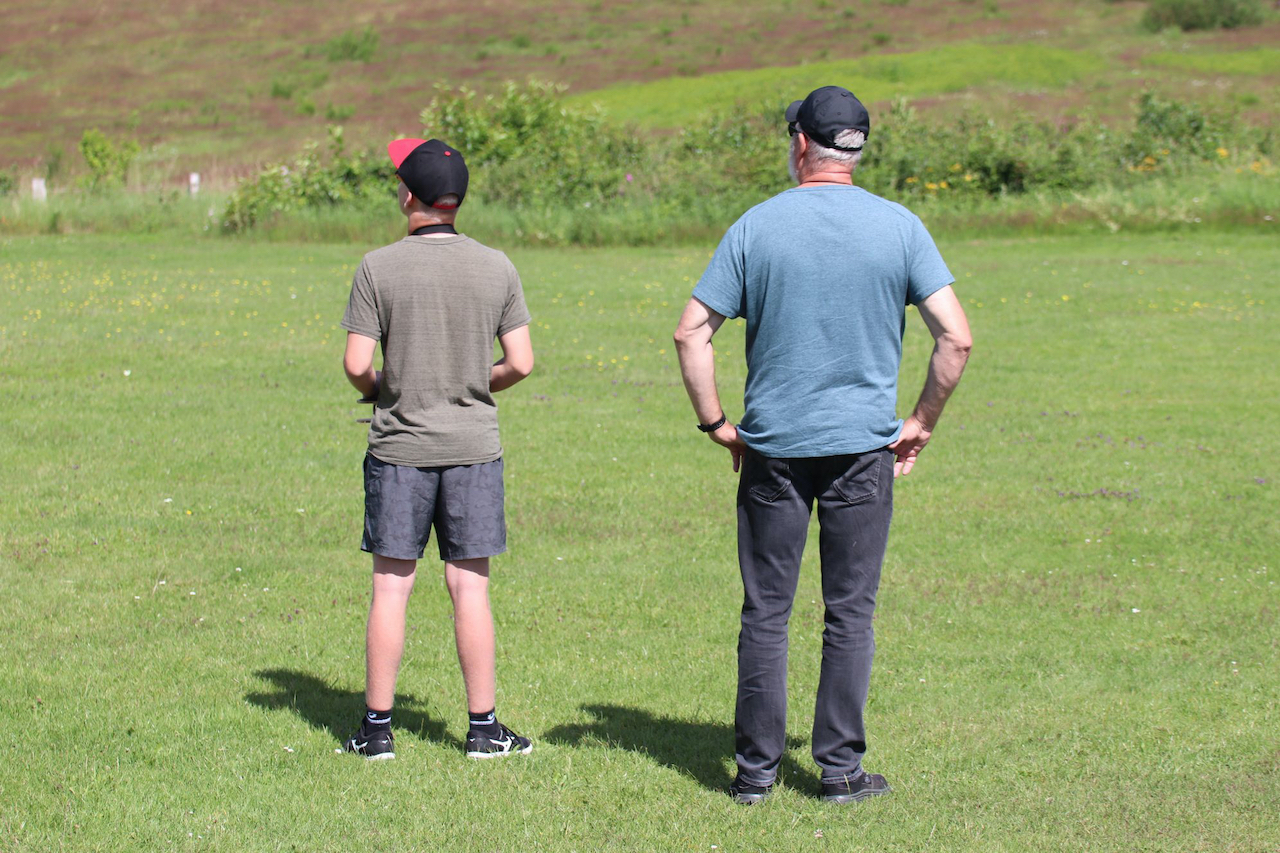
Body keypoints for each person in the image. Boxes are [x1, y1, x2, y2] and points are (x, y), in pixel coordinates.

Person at [673, 86, 972, 805]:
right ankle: (839, 771)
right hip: (862, 450)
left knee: (766, 610)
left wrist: (717, 424)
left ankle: (755, 772)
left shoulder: (756, 226)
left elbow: (691, 333)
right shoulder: (900, 227)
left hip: (773, 449)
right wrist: (920, 420)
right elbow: (955, 338)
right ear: (855, 149)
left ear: (801, 142)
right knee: (850, 611)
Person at [339, 138, 535, 761]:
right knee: (469, 587)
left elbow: (356, 365)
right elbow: (521, 362)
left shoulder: (377, 267)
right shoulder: (497, 266)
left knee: (391, 587)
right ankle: (484, 730)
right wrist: (472, 382)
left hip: (399, 448)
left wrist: (386, 389)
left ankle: (376, 732)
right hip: (474, 446)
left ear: (408, 196)